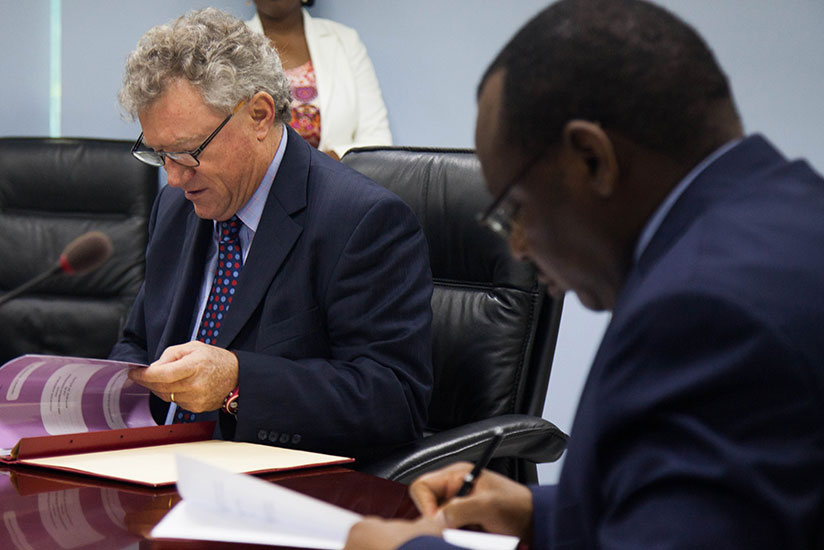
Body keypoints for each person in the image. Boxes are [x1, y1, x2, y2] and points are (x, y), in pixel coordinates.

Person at [344, 0, 824, 548]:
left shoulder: (704, 311)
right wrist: (542, 513)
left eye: (515, 209)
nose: (518, 247)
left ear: (591, 159)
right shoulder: (789, 213)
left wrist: (405, 548)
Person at [109, 8, 433, 461]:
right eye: (159, 154)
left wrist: (238, 381)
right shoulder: (176, 207)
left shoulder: (362, 220)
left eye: (187, 153)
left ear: (259, 115)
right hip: (156, 473)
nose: (174, 179)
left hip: (283, 494)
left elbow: (392, 401)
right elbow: (140, 344)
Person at [246, 0, 392, 160]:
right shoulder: (228, 45)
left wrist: (321, 165)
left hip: (339, 181)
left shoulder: (345, 41)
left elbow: (378, 142)